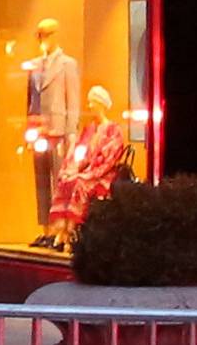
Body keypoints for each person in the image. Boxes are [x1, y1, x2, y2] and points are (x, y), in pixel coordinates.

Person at [45, 86, 132, 251]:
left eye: (92, 103)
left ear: (100, 104)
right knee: (66, 181)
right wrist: (72, 168)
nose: (90, 106)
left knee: (79, 184)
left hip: (103, 175)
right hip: (86, 171)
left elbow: (110, 157)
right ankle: (62, 231)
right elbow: (78, 152)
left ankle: (71, 231)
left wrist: (91, 171)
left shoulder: (114, 130)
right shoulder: (89, 130)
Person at [25, 18, 80, 246]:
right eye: (39, 34)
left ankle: (59, 231)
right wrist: (29, 132)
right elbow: (30, 101)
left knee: (59, 181)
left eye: (46, 34)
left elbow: (73, 100)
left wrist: (71, 133)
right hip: (39, 130)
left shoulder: (67, 64)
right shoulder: (35, 66)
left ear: (55, 35)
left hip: (58, 130)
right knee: (40, 180)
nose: (42, 39)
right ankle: (45, 229)